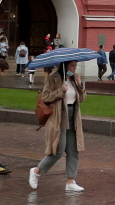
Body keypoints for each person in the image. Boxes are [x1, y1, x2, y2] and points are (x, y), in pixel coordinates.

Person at [28, 60, 87, 192]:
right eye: (72, 66)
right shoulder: (53, 79)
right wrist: (60, 90)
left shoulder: (73, 79)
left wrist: (79, 85)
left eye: (75, 66)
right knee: (58, 151)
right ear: (65, 66)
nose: (74, 68)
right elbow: (45, 97)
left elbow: (82, 99)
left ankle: (71, 181)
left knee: (73, 150)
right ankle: (36, 171)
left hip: (73, 117)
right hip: (59, 118)